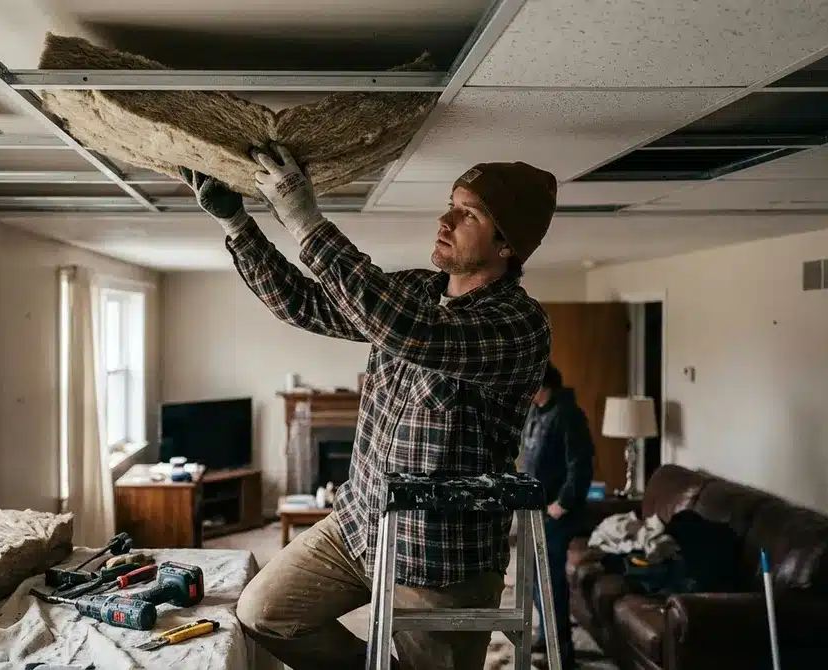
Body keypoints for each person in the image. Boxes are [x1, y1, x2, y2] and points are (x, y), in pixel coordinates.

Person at [177, 145, 558, 670]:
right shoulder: (414, 291)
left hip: (441, 556)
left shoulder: (519, 324)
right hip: (361, 522)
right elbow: (304, 302)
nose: (444, 220)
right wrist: (238, 224)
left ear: (506, 244)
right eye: (451, 204)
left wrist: (305, 220)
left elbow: (413, 332)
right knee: (264, 611)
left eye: (468, 214)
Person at [520, 362, 595, 669]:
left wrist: (562, 504)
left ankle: (562, 654)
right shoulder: (537, 412)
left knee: (550, 583)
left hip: (556, 514)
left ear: (542, 383)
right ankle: (544, 634)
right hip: (536, 509)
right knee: (535, 579)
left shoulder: (568, 415)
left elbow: (581, 465)